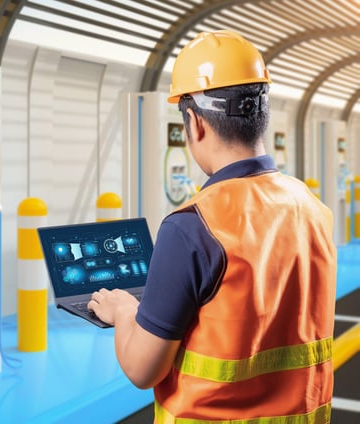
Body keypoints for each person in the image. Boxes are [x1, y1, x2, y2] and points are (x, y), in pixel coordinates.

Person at [88, 30, 336, 422]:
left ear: (194, 122)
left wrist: (124, 312)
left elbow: (142, 369)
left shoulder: (191, 227)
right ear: (262, 116)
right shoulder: (312, 208)